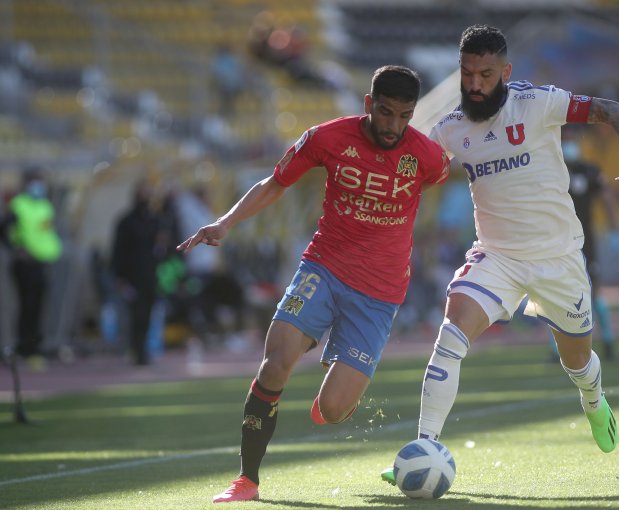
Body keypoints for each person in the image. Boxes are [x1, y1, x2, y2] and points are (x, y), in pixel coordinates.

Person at [382, 25, 619, 485]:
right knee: (449, 337)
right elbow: (413, 168)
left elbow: (613, 109)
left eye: (486, 74)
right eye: (467, 73)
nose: (474, 84)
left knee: (578, 363)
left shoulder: (538, 103)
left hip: (558, 259)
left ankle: (593, 400)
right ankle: (424, 448)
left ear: (505, 71)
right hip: (497, 258)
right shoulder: (450, 128)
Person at [177, 65, 449, 503]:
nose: (393, 126)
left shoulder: (428, 157)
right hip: (322, 269)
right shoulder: (327, 138)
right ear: (368, 105)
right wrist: (226, 223)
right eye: (385, 113)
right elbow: (275, 183)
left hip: (379, 293)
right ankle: (247, 479)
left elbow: (460, 178)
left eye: (404, 116)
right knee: (276, 360)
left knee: (333, 410)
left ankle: (336, 376)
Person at [560, 127, 619, 361]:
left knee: (595, 293)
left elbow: (606, 199)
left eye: (571, 140)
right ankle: (556, 349)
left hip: (585, 242)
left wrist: (615, 231)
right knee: (554, 293)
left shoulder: (589, 171)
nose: (569, 145)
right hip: (557, 244)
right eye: (564, 141)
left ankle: (608, 340)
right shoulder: (552, 172)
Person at [0, 167, 62, 370]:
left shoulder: (45, 206)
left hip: (43, 262)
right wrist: (17, 249)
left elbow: (46, 233)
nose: (38, 186)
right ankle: (25, 349)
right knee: (27, 307)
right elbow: (5, 231)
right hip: (25, 265)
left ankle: (35, 347)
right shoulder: (19, 205)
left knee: (38, 307)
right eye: (35, 181)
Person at [111, 180, 165, 366]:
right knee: (134, 316)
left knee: (147, 316)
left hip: (150, 277)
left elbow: (160, 250)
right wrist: (120, 278)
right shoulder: (126, 222)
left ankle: (143, 352)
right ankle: (135, 351)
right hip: (132, 278)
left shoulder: (154, 221)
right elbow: (118, 251)